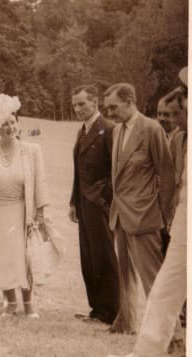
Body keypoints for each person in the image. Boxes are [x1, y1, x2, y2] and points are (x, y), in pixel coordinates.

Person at [106, 67, 187, 357]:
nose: (110, 112)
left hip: (145, 219)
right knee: (126, 277)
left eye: (114, 107)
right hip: (120, 217)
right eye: (107, 108)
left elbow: (166, 176)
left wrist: (163, 217)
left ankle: (176, 341)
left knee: (158, 283)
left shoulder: (151, 129)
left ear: (130, 102)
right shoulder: (117, 130)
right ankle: (126, 322)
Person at [0, 94, 50, 318]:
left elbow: (40, 182)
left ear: (17, 125)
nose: (9, 127)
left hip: (22, 211)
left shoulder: (32, 150)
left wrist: (40, 212)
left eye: (12, 123)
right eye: (4, 124)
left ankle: (28, 304)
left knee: (24, 258)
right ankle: (10, 302)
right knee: (3, 258)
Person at [68, 85, 120, 325]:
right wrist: (73, 201)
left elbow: (115, 170)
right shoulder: (83, 130)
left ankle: (109, 310)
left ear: (95, 103)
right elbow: (79, 172)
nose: (78, 108)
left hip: (98, 203)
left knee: (103, 256)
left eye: (82, 104)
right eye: (75, 104)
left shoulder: (108, 129)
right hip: (83, 202)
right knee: (88, 257)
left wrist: (103, 198)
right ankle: (97, 308)